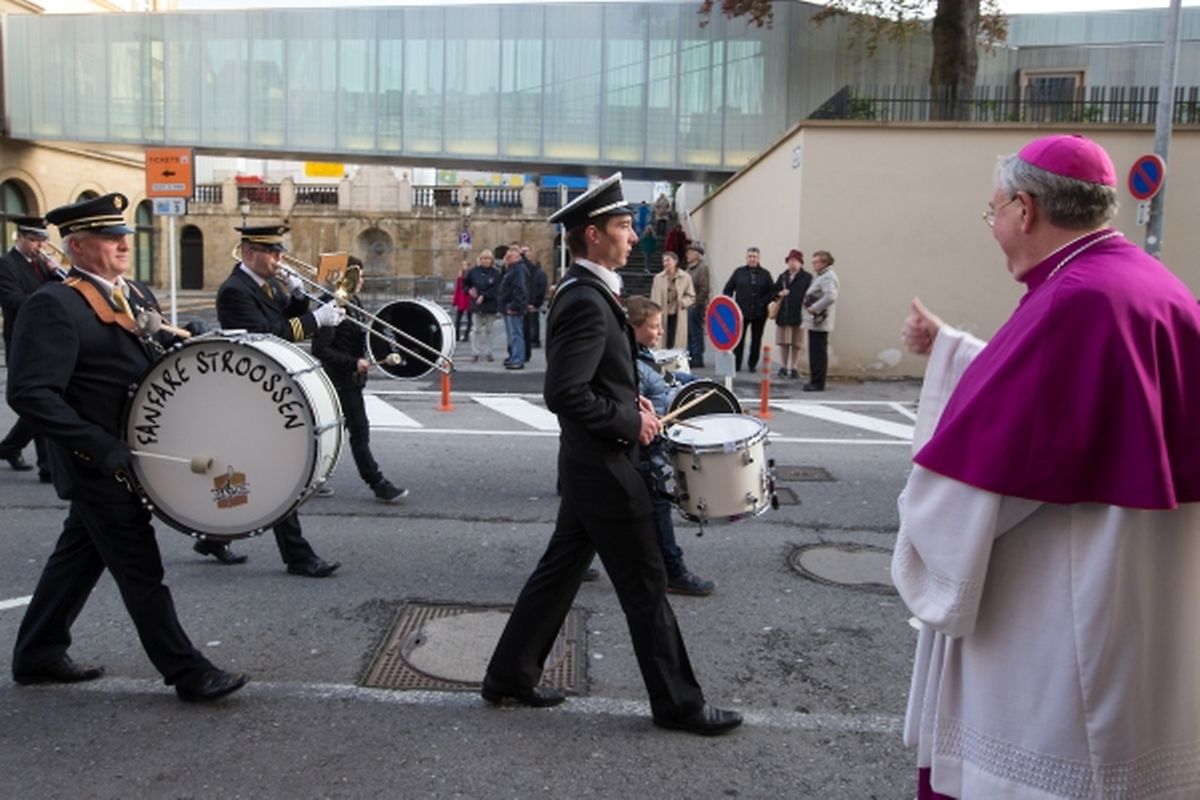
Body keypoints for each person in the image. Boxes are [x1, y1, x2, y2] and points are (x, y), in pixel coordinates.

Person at [893, 133, 1200, 799]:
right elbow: (1065, 395)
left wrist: (923, 523)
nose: (994, 224)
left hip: (1067, 599)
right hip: (1149, 587)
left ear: (1025, 210)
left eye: (994, 210)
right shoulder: (1150, 285)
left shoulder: (1072, 300)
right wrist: (951, 348)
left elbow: (1010, 448)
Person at [482, 173, 741, 736]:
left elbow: (595, 380)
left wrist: (632, 403)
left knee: (559, 573)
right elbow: (564, 393)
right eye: (624, 226)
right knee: (646, 587)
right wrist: (629, 420)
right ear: (594, 235)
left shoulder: (592, 291)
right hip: (605, 469)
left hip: (590, 465)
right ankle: (679, 705)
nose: (633, 235)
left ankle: (509, 674)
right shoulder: (585, 299)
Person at [7, 193, 247, 702]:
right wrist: (98, 446)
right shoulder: (53, 305)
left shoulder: (133, 293)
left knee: (78, 556)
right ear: (76, 246)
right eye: (109, 237)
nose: (122, 244)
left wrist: (186, 340)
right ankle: (187, 672)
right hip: (98, 464)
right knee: (141, 569)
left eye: (123, 236)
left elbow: (147, 355)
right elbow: (30, 394)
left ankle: (37, 653)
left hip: (134, 454)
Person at [207, 223, 345, 576]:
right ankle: (298, 557)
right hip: (246, 391)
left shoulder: (266, 285)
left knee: (244, 466)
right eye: (271, 253)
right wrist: (317, 319)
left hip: (263, 387)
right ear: (249, 253)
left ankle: (213, 537)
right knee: (279, 472)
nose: (279, 259)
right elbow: (268, 334)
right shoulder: (234, 291)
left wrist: (299, 297)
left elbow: (286, 319)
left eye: (279, 252)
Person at [626, 295, 714, 597]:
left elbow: (665, 378)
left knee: (594, 511)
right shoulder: (632, 366)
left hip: (647, 448)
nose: (660, 331)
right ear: (634, 328)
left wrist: (698, 383)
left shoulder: (642, 356)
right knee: (658, 508)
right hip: (645, 450)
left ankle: (573, 564)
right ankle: (673, 572)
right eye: (654, 326)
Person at [312, 255, 408, 504]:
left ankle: (310, 478)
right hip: (339, 379)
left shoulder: (353, 301)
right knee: (359, 432)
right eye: (359, 276)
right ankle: (377, 484)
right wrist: (353, 363)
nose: (362, 281)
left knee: (330, 434)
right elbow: (320, 349)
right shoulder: (331, 304)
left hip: (352, 379)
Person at [0, 215, 61, 479]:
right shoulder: (6, 265)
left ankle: (10, 447)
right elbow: (13, 300)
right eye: (35, 240)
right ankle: (46, 466)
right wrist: (50, 300)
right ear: (21, 238)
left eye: (43, 241)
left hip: (47, 339)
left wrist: (57, 272)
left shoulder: (43, 264)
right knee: (38, 398)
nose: (40, 246)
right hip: (23, 341)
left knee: (42, 398)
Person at [722, 247, 774, 372]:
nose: (752, 259)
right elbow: (728, 289)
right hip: (741, 313)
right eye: (750, 256)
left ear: (759, 258)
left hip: (759, 313)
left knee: (756, 339)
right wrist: (731, 304)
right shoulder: (738, 272)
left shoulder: (765, 274)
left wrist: (763, 302)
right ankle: (737, 364)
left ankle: (752, 364)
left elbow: (772, 292)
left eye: (754, 257)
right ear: (746, 258)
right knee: (739, 340)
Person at [772, 249, 811, 380]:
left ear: (800, 263)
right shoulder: (783, 276)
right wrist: (779, 293)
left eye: (795, 261)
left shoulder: (807, 277)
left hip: (799, 314)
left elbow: (811, 295)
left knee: (797, 343)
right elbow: (773, 292)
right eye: (790, 260)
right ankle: (784, 366)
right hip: (784, 314)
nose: (792, 263)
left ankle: (794, 367)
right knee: (784, 342)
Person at [801, 250, 838, 391]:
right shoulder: (822, 276)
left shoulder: (828, 277)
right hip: (816, 321)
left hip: (820, 321)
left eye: (816, 262)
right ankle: (815, 380)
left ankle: (817, 382)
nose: (813, 264)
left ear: (824, 263)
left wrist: (814, 308)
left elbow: (831, 296)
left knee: (818, 352)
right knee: (815, 351)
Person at [649, 251, 695, 351]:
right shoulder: (658, 278)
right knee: (662, 341)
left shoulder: (685, 277)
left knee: (676, 340)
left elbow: (691, 296)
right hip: (662, 313)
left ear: (675, 261)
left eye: (668, 260)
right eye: (664, 261)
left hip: (678, 313)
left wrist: (683, 302)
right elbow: (653, 297)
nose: (665, 263)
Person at [465, 250, 502, 363]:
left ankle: (489, 352)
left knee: (489, 330)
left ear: (491, 260)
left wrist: (484, 295)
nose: (486, 261)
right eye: (484, 258)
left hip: (490, 305)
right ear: (480, 259)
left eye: (488, 258)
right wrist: (469, 290)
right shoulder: (473, 272)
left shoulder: (496, 273)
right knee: (476, 330)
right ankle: (475, 352)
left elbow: (497, 289)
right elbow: (465, 284)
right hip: (476, 305)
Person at [497, 245, 528, 370]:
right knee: (512, 335)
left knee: (516, 335)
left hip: (513, 307)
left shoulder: (518, 270)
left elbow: (520, 289)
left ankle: (517, 359)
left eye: (509, 256)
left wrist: (514, 306)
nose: (506, 258)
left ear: (517, 257)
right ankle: (514, 356)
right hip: (508, 306)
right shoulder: (512, 269)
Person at [684, 242, 710, 369]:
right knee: (689, 332)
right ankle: (691, 356)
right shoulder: (689, 269)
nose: (687, 255)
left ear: (697, 255)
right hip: (688, 304)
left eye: (690, 252)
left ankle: (697, 357)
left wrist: (696, 303)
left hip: (695, 305)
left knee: (695, 332)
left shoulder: (702, 268)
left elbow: (704, 288)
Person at [521, 245, 547, 350]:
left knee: (533, 321)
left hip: (533, 301)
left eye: (526, 252)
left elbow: (541, 288)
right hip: (526, 301)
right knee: (529, 322)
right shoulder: (524, 269)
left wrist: (536, 302)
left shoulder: (537, 272)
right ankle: (531, 340)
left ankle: (534, 340)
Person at [452, 259, 472, 343]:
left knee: (469, 319)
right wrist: (454, 301)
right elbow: (457, 289)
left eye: (465, 265)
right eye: (463, 265)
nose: (464, 267)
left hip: (469, 300)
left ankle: (466, 336)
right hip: (461, 300)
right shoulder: (460, 277)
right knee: (458, 319)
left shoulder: (471, 276)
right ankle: (457, 336)